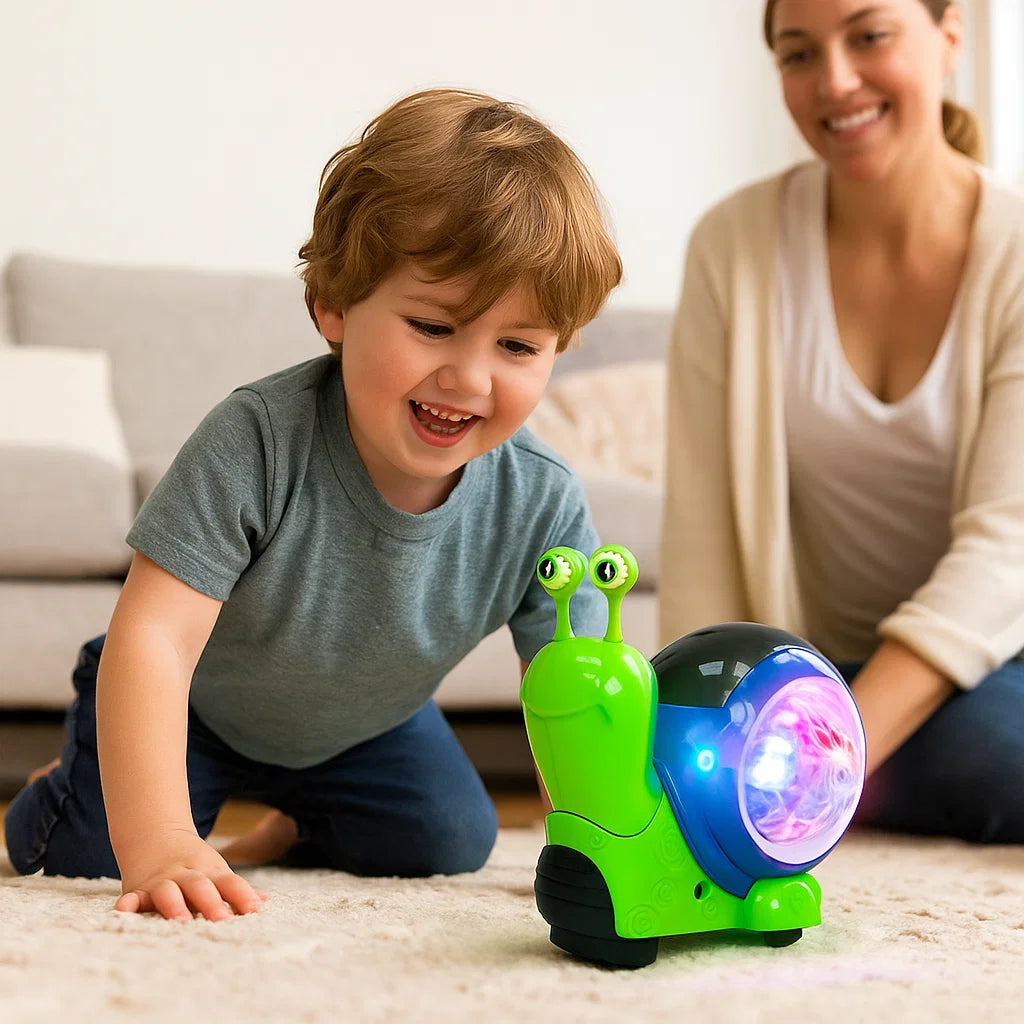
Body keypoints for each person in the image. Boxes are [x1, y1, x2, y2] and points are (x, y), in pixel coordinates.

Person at [5, 88, 622, 919]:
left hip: (361, 728)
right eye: (434, 327)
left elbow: (580, 691)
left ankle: (293, 826)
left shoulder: (541, 504)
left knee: (447, 838)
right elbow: (152, 636)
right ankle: (55, 786)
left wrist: (601, 829)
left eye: (517, 346)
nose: (471, 379)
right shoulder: (256, 440)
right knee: (89, 854)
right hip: (195, 707)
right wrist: (158, 843)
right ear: (332, 305)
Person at [659, 0, 1024, 843]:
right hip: (810, 675)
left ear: (951, 37)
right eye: (798, 54)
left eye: (870, 36)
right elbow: (703, 541)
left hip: (997, 657)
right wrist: (689, 743)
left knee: (991, 750)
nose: (836, 81)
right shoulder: (732, 246)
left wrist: (833, 748)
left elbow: (1008, 550)